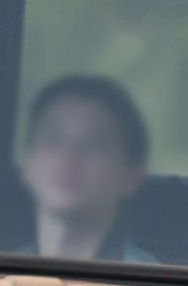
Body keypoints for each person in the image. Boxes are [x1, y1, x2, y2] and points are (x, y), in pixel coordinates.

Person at [16, 74, 157, 262]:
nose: (69, 157)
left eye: (94, 144)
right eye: (53, 140)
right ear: (28, 165)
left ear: (131, 176)